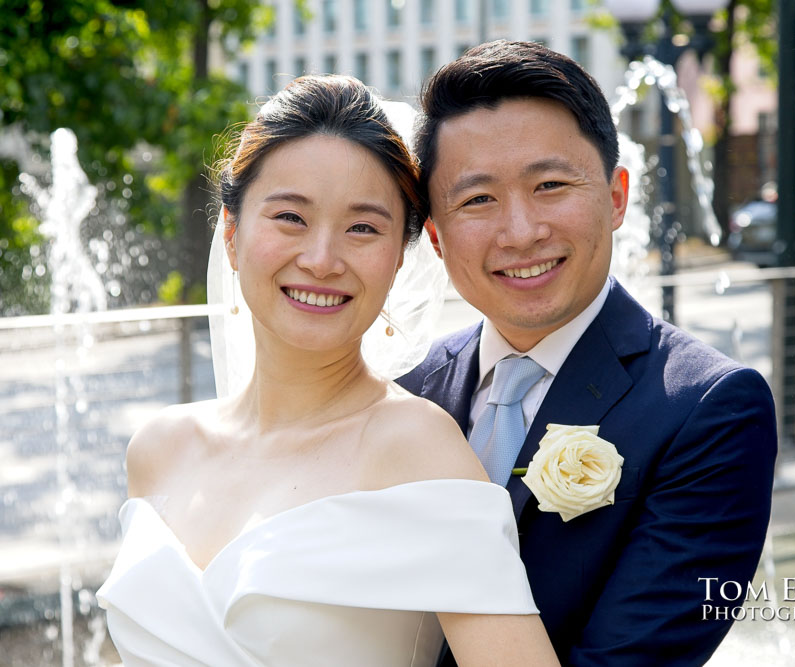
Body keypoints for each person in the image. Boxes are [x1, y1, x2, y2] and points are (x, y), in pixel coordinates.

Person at [96, 74, 560, 667]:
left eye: (363, 227)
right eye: (291, 217)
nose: (321, 259)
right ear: (233, 235)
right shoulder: (158, 450)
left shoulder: (415, 448)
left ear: (399, 259)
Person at [397, 40, 778, 666]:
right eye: (477, 200)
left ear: (617, 196)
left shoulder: (711, 409)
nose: (521, 232)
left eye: (550, 184)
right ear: (436, 237)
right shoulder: (409, 389)